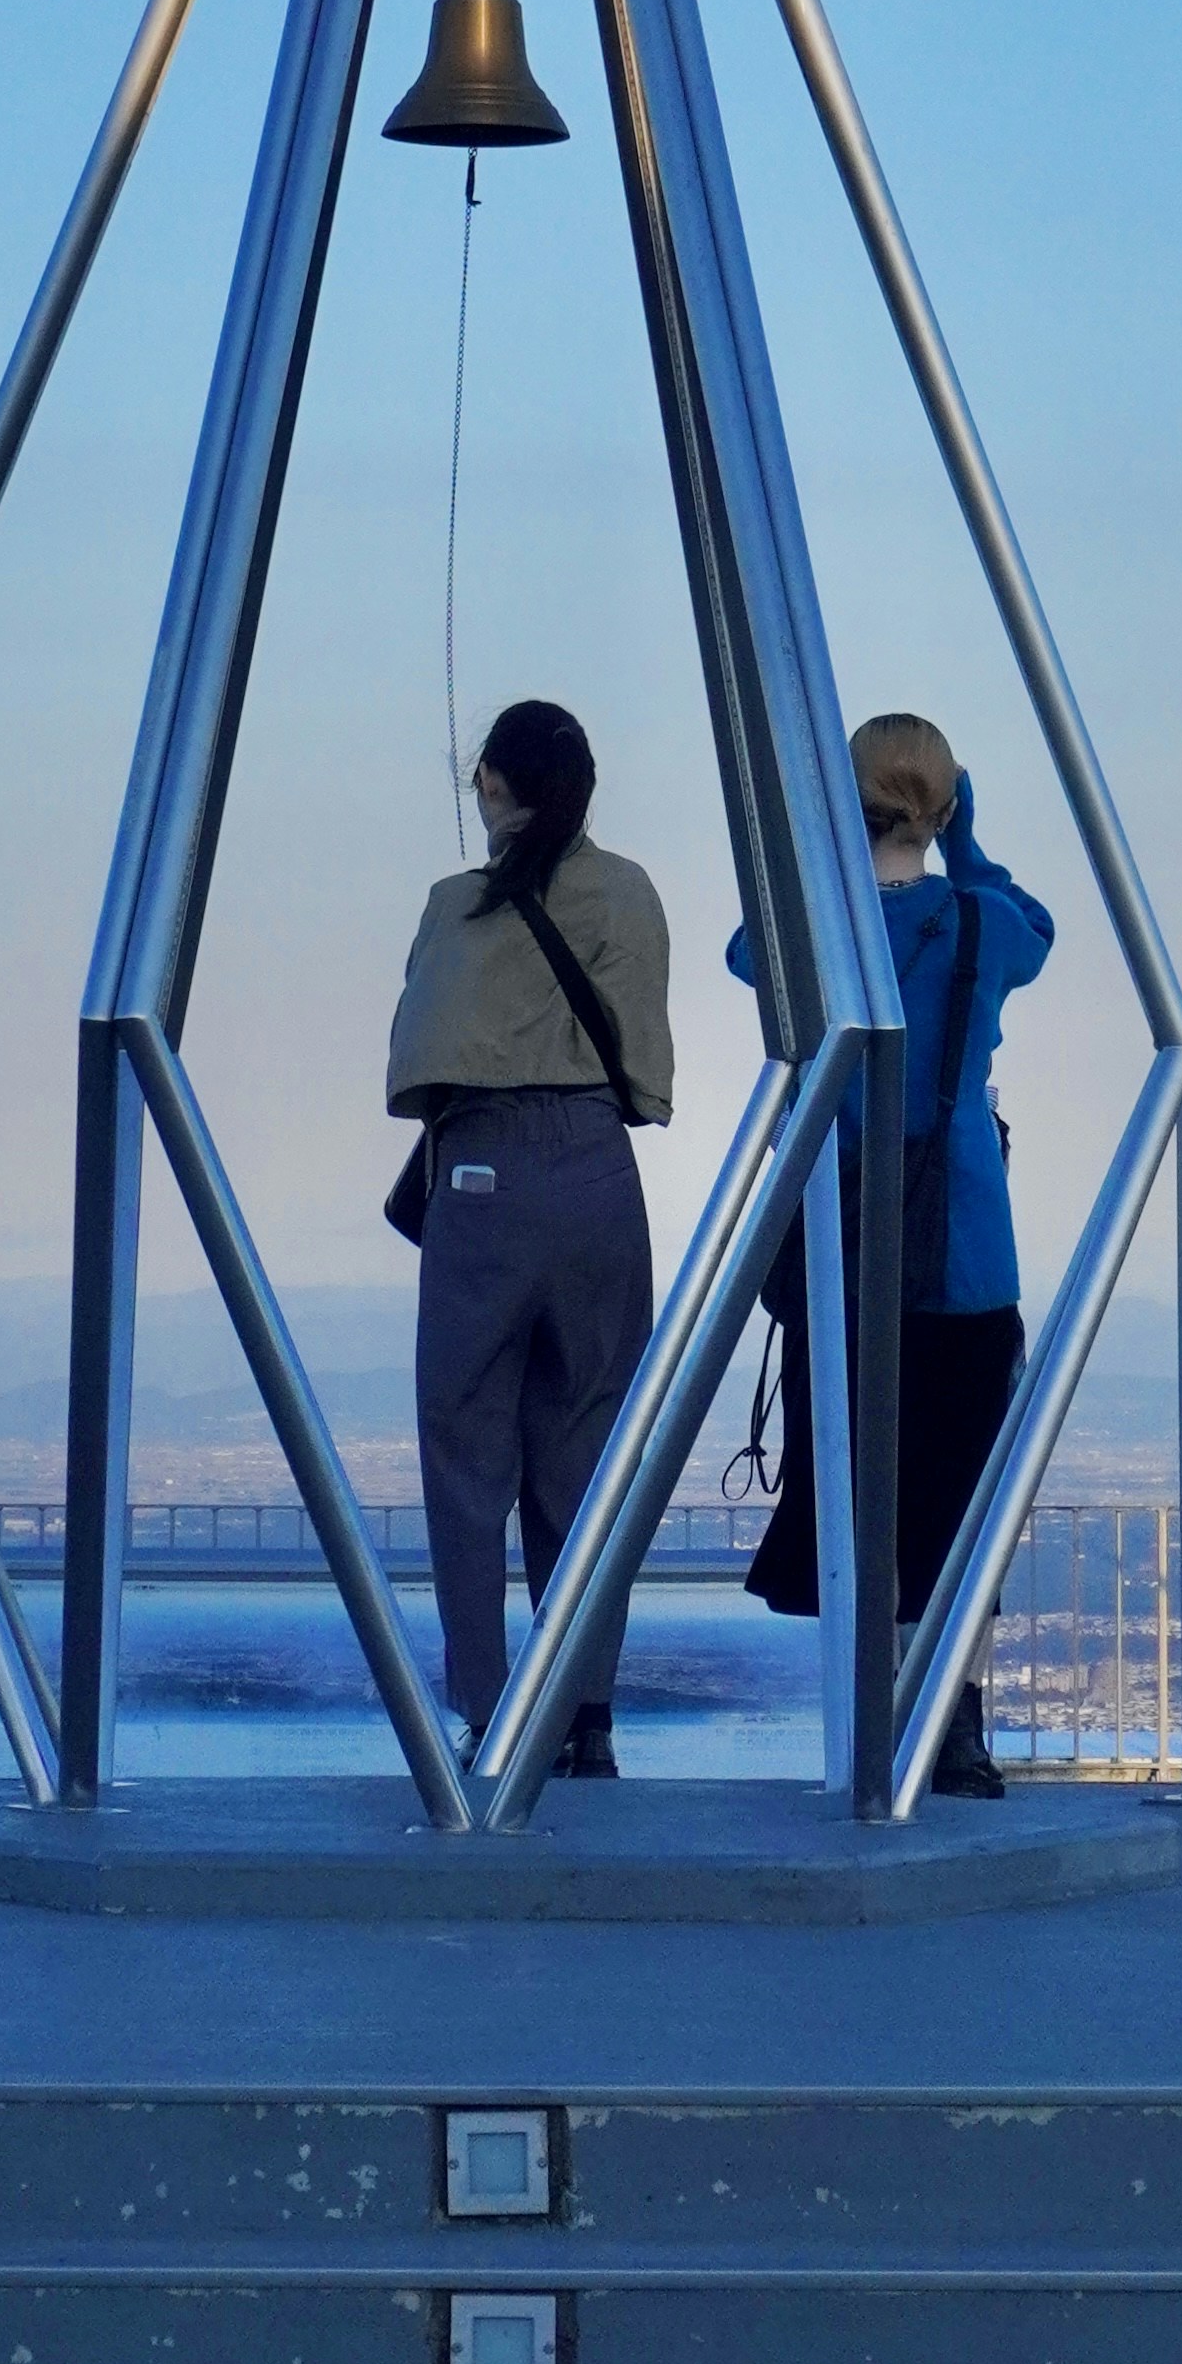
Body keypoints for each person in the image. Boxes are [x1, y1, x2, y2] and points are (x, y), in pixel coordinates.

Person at [737, 710, 1056, 1794]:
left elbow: (747, 949)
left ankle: (870, 1721)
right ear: (947, 801)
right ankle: (954, 1722)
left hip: (850, 1244)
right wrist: (963, 843)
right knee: (964, 1503)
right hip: (968, 1251)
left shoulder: (822, 932)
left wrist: (826, 849)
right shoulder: (979, 925)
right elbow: (1039, 925)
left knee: (863, 1492)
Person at [384, 694, 673, 1776]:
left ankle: (489, 1706)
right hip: (603, 1169)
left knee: (468, 1453)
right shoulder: (631, 893)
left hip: (485, 1172)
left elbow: (418, 1054)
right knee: (589, 1454)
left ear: (495, 787)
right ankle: (584, 1707)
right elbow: (648, 1063)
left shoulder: (457, 902)